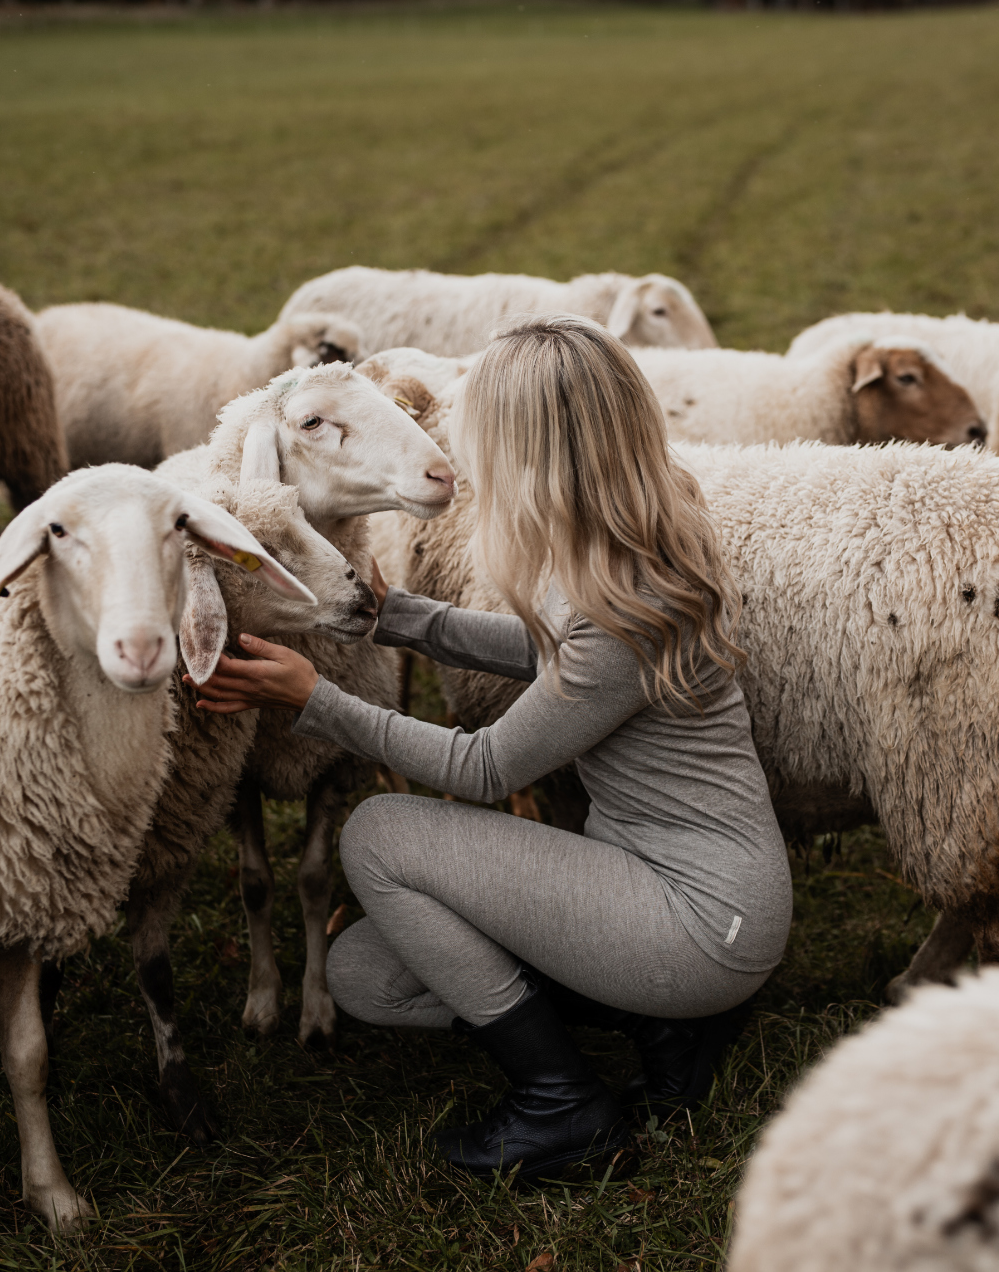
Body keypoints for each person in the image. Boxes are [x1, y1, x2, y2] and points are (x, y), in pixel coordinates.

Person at [189, 314, 793, 1183]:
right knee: (366, 973)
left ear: (533, 448)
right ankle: (662, 1022)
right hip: (653, 883)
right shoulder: (626, 544)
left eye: (483, 434)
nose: (463, 455)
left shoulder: (633, 598)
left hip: (702, 921)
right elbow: (555, 650)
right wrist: (400, 616)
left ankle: (563, 1104)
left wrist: (312, 699)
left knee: (379, 835)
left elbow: (486, 767)